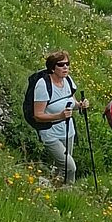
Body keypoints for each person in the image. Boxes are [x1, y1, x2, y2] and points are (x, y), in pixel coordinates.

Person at [33, 50, 88, 183]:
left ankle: (55, 194)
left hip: (68, 132)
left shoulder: (68, 80)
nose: (65, 67)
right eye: (61, 64)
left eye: (67, 64)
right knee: (70, 167)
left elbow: (71, 102)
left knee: (61, 168)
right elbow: (37, 115)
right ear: (52, 68)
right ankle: (68, 192)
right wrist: (59, 115)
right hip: (50, 134)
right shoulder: (43, 85)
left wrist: (80, 105)